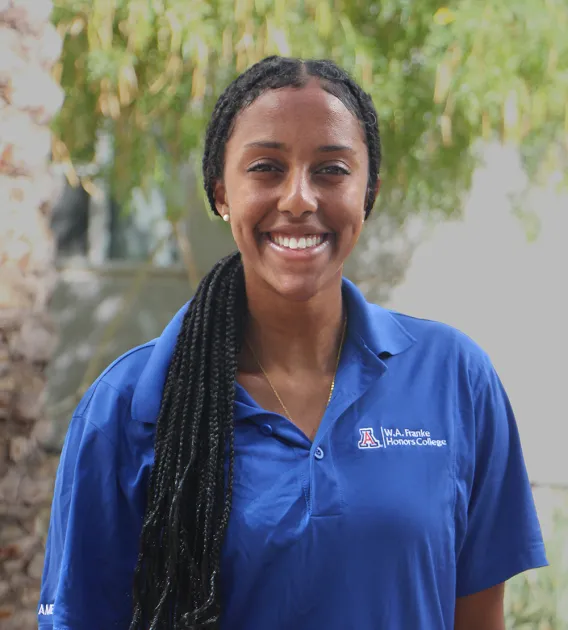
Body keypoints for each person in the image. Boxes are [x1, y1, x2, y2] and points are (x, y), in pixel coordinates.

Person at [38, 56, 547, 630]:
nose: (299, 198)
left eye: (331, 170)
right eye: (265, 167)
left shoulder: (455, 378)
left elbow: (479, 617)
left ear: (368, 193)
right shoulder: (128, 406)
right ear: (221, 191)